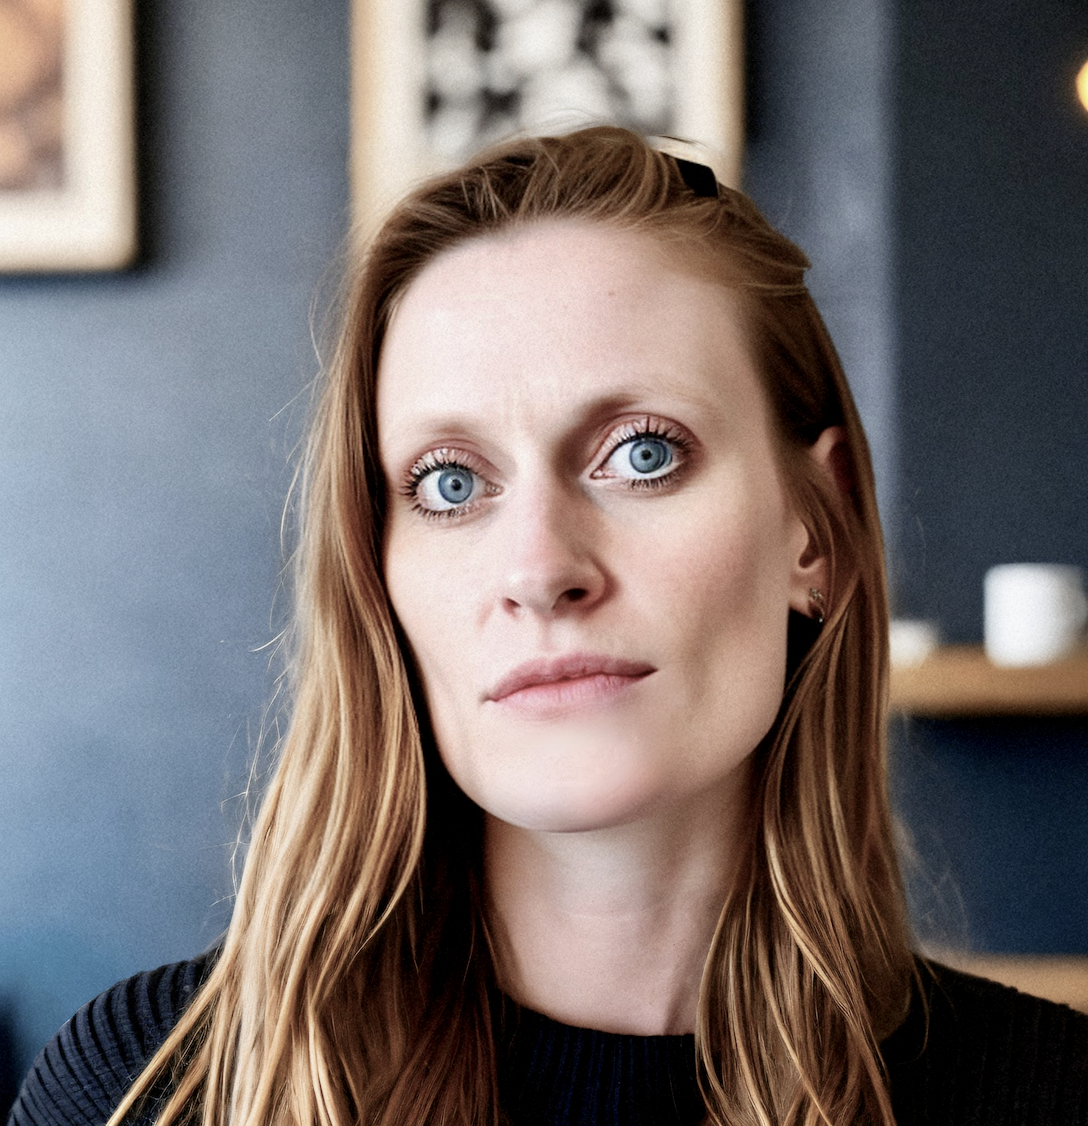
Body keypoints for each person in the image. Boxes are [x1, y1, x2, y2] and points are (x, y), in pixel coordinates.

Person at [9, 126, 1088, 1126]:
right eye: (448, 482)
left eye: (642, 453)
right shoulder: (143, 1092)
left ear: (815, 528)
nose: (537, 568)